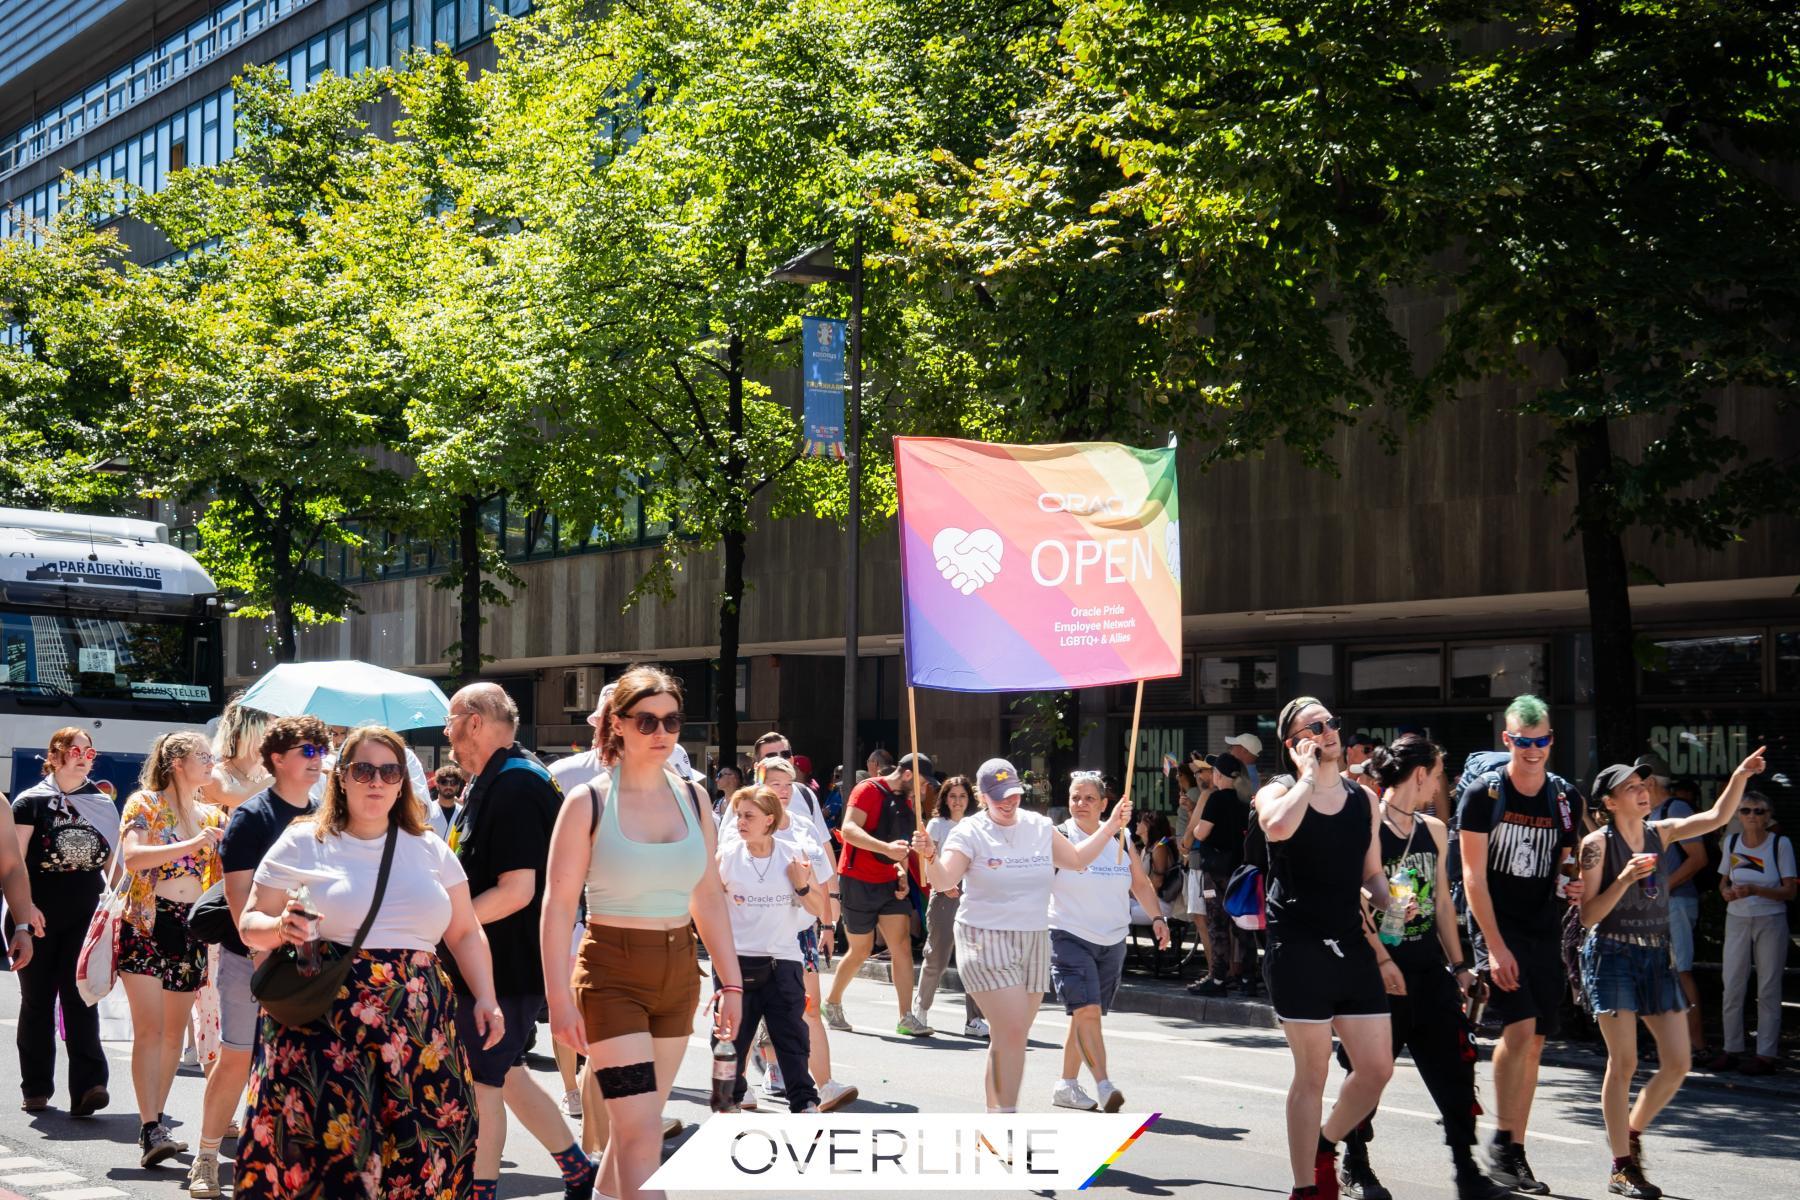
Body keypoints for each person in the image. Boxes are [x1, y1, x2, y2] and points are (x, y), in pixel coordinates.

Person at [234, 724, 501, 1198]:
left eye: (389, 770)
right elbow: (249, 920)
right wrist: (278, 931)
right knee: (331, 1162)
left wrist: (487, 997)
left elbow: (464, 931)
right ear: (341, 777)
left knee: (425, 1153)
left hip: (420, 1029)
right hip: (326, 1026)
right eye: (363, 769)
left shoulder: (430, 847)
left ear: (403, 781)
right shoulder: (303, 840)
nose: (376, 781)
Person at [542, 664, 742, 1200]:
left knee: (639, 1127)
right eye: (647, 721)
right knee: (643, 1134)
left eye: (672, 721)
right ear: (617, 726)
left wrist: (733, 983)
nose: (662, 733)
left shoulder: (696, 798)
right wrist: (559, 1001)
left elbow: (708, 897)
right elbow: (558, 906)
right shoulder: (587, 801)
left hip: (680, 973)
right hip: (611, 975)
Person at [1576, 748, 1764, 1199]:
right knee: (1624, 1062)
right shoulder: (1596, 846)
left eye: (1644, 785)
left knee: (1678, 1063)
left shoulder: (1661, 832)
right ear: (1610, 802)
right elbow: (1587, 917)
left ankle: (1631, 1135)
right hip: (1612, 955)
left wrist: (1738, 774)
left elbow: (1718, 817)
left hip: (1655, 957)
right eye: (1631, 788)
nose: (1643, 792)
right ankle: (1622, 1167)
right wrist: (1621, 879)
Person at [1336, 735, 1508, 1200]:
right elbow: (1350, 899)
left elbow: (1444, 902)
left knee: (1455, 1068)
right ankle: (1354, 1162)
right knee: (1369, 1075)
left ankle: (1466, 1169)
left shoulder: (1432, 829)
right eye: (1436, 775)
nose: (1439, 784)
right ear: (1419, 774)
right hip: (1375, 974)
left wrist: (1461, 966)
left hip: (1428, 970)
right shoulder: (1365, 823)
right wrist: (1383, 956)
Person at [911, 757, 1132, 1113]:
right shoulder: (969, 831)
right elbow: (943, 881)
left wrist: (1110, 828)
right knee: (1013, 1032)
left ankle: (994, 1119)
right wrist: (930, 857)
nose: (1008, 801)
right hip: (983, 939)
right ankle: (1007, 1124)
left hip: (1032, 940)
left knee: (1007, 1037)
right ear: (982, 796)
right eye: (999, 795)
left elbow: (1076, 860)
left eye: (1013, 793)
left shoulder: (1039, 825)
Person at [444, 682, 593, 1200]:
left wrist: (441, 923)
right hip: (495, 960)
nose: (447, 734)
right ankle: (579, 1171)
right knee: (506, 1072)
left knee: (484, 1083)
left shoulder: (515, 784)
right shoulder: (500, 778)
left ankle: (478, 1190)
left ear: (475, 721)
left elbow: (517, 890)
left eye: (451, 722)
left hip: (504, 965)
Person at [1257, 697, 1397, 1200]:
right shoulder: (1278, 790)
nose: (1329, 730)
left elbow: (1372, 873)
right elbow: (1277, 828)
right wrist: (1306, 776)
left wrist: (1396, 901)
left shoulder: (1364, 799)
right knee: (1312, 1073)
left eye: (1332, 722)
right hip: (1297, 946)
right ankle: (1305, 1188)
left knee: (1378, 1068)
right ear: (1295, 742)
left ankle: (1324, 1142)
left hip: (1349, 941)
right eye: (1315, 727)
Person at [185, 714, 329, 1199]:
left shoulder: (324, 816)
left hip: (307, 958)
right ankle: (206, 1158)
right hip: (251, 957)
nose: (318, 760)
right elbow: (239, 901)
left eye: (321, 751)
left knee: (299, 1062)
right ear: (278, 759)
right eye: (308, 752)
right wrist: (268, 958)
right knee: (237, 1057)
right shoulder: (252, 816)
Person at [1457, 694, 1585, 1194]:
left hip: (1542, 926)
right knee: (1520, 1025)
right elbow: (1472, 877)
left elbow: (1568, 860)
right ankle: (1504, 1143)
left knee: (1535, 1040)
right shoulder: (1484, 795)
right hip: (1496, 924)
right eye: (1523, 741)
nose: (1533, 750)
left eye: (1542, 741)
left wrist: (1573, 885)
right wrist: (1493, 947)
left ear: (1551, 740)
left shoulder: (1564, 798)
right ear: (1507, 740)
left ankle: (1512, 1147)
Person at [720, 755, 856, 1113]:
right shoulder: (727, 857)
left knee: (793, 1037)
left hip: (785, 960)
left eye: (748, 816)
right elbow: (706, 906)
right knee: (732, 1039)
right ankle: (729, 1100)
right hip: (739, 963)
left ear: (769, 820)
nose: (740, 822)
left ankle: (806, 1103)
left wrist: (802, 889)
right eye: (738, 816)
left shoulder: (795, 851)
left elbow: (814, 903)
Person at [118, 730, 224, 1167]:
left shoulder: (211, 813)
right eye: (203, 756)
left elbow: (219, 879)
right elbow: (133, 857)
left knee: (169, 1034)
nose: (211, 763)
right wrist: (196, 842)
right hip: (146, 919)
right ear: (178, 762)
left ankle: (156, 1124)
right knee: (149, 1029)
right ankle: (149, 1126)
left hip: (189, 927)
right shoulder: (145, 804)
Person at [1048, 770, 1169, 1112]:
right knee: (1086, 1011)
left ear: (1104, 803)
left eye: (1089, 798)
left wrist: (1158, 918)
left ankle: (1066, 1085)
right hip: (1070, 935)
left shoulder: (1123, 837)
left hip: (1112, 940)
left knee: (1084, 1014)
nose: (1080, 804)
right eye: (1075, 797)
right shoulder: (1059, 836)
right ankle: (1104, 1084)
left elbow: (1141, 883)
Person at [11, 727, 104, 1117]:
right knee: (38, 1000)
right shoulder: (29, 803)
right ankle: (36, 1087)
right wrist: (24, 908)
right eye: (75, 750)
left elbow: (113, 863)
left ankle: (89, 1087)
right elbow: (13, 862)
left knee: (81, 995)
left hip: (84, 913)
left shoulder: (101, 803)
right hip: (38, 913)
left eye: (89, 751)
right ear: (56, 754)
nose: (83, 756)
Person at [824, 752, 931, 1037]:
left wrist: (902, 873)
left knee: (902, 946)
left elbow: (902, 843)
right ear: (907, 774)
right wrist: (884, 849)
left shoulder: (908, 802)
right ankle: (832, 1002)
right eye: (921, 782)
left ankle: (906, 1016)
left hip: (888, 882)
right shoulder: (867, 790)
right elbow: (848, 830)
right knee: (860, 949)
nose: (923, 789)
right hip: (857, 878)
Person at [1713, 791, 1796, 1074]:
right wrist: (1727, 893)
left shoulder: (1780, 844)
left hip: (1770, 919)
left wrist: (1755, 890)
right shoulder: (1733, 842)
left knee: (1768, 987)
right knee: (1732, 985)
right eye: (1746, 811)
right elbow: (1723, 883)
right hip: (1737, 918)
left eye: (1758, 811)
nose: (1751, 816)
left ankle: (1765, 1055)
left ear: (1768, 816)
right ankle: (1731, 1048)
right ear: (1738, 815)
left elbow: (1790, 890)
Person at [1635, 753, 1709, 1059]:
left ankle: (1698, 1046)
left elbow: (1698, 858)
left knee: (1681, 972)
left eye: (1636, 782)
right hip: (1661, 906)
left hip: (1676, 904)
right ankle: (1672, 1047)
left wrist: (1662, 889)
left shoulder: (1675, 808)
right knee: (1662, 974)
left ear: (1649, 782)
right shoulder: (1650, 813)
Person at [916, 774, 985, 1038]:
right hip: (945, 898)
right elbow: (927, 862)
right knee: (938, 956)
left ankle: (974, 1019)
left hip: (973, 898)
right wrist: (944, 885)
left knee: (974, 960)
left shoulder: (977, 825)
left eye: (963, 796)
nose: (957, 801)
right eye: (953, 796)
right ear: (944, 798)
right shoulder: (937, 825)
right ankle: (920, 1010)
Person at [1187, 754, 1252, 996]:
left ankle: (1218, 980)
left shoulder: (1217, 799)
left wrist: (1194, 828)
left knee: (1218, 925)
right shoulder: (1244, 800)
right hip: (1240, 870)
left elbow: (1201, 833)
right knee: (1243, 926)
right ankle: (1247, 979)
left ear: (1218, 775)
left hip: (1216, 870)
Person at [200, 697, 271, 814]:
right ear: (240, 734)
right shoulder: (215, 776)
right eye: (267, 730)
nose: (274, 735)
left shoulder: (269, 775)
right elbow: (247, 802)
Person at [430, 764, 468, 841]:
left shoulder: (463, 813)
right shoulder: (427, 810)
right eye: (444, 782)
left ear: (458, 786)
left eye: (453, 782)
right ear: (437, 785)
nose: (448, 786)